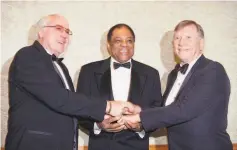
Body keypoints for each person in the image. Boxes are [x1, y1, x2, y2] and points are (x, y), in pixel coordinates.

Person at [5, 14, 137, 150]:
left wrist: (102, 119)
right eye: (58, 28)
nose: (65, 35)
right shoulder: (28, 56)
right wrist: (108, 106)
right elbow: (59, 98)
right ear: (41, 32)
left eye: (67, 31)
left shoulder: (60, 67)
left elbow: (72, 106)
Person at [123, 20, 232, 150]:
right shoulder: (173, 75)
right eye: (177, 38)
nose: (181, 42)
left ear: (201, 44)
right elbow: (166, 111)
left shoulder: (212, 70)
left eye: (188, 37)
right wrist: (139, 110)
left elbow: (184, 109)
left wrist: (139, 117)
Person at [76, 23, 162, 150]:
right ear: (109, 46)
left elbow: (158, 111)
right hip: (101, 145)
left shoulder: (151, 74)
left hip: (137, 146)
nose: (124, 45)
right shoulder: (88, 71)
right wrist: (99, 125)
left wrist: (140, 127)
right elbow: (80, 109)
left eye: (129, 41)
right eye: (118, 41)